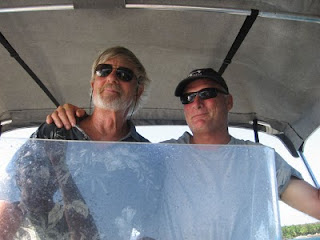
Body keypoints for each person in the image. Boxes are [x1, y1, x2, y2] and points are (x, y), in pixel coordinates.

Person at [46, 68, 320, 221]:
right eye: (188, 98)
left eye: (207, 94)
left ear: (229, 101)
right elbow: (107, 167)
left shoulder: (260, 159)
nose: (197, 103)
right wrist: (76, 119)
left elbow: (313, 202)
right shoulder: (162, 155)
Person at [0, 46, 157, 240]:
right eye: (104, 71)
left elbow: (151, 227)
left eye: (124, 74)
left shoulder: (147, 156)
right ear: (93, 84)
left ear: (138, 90)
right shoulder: (54, 132)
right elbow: (12, 201)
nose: (112, 78)